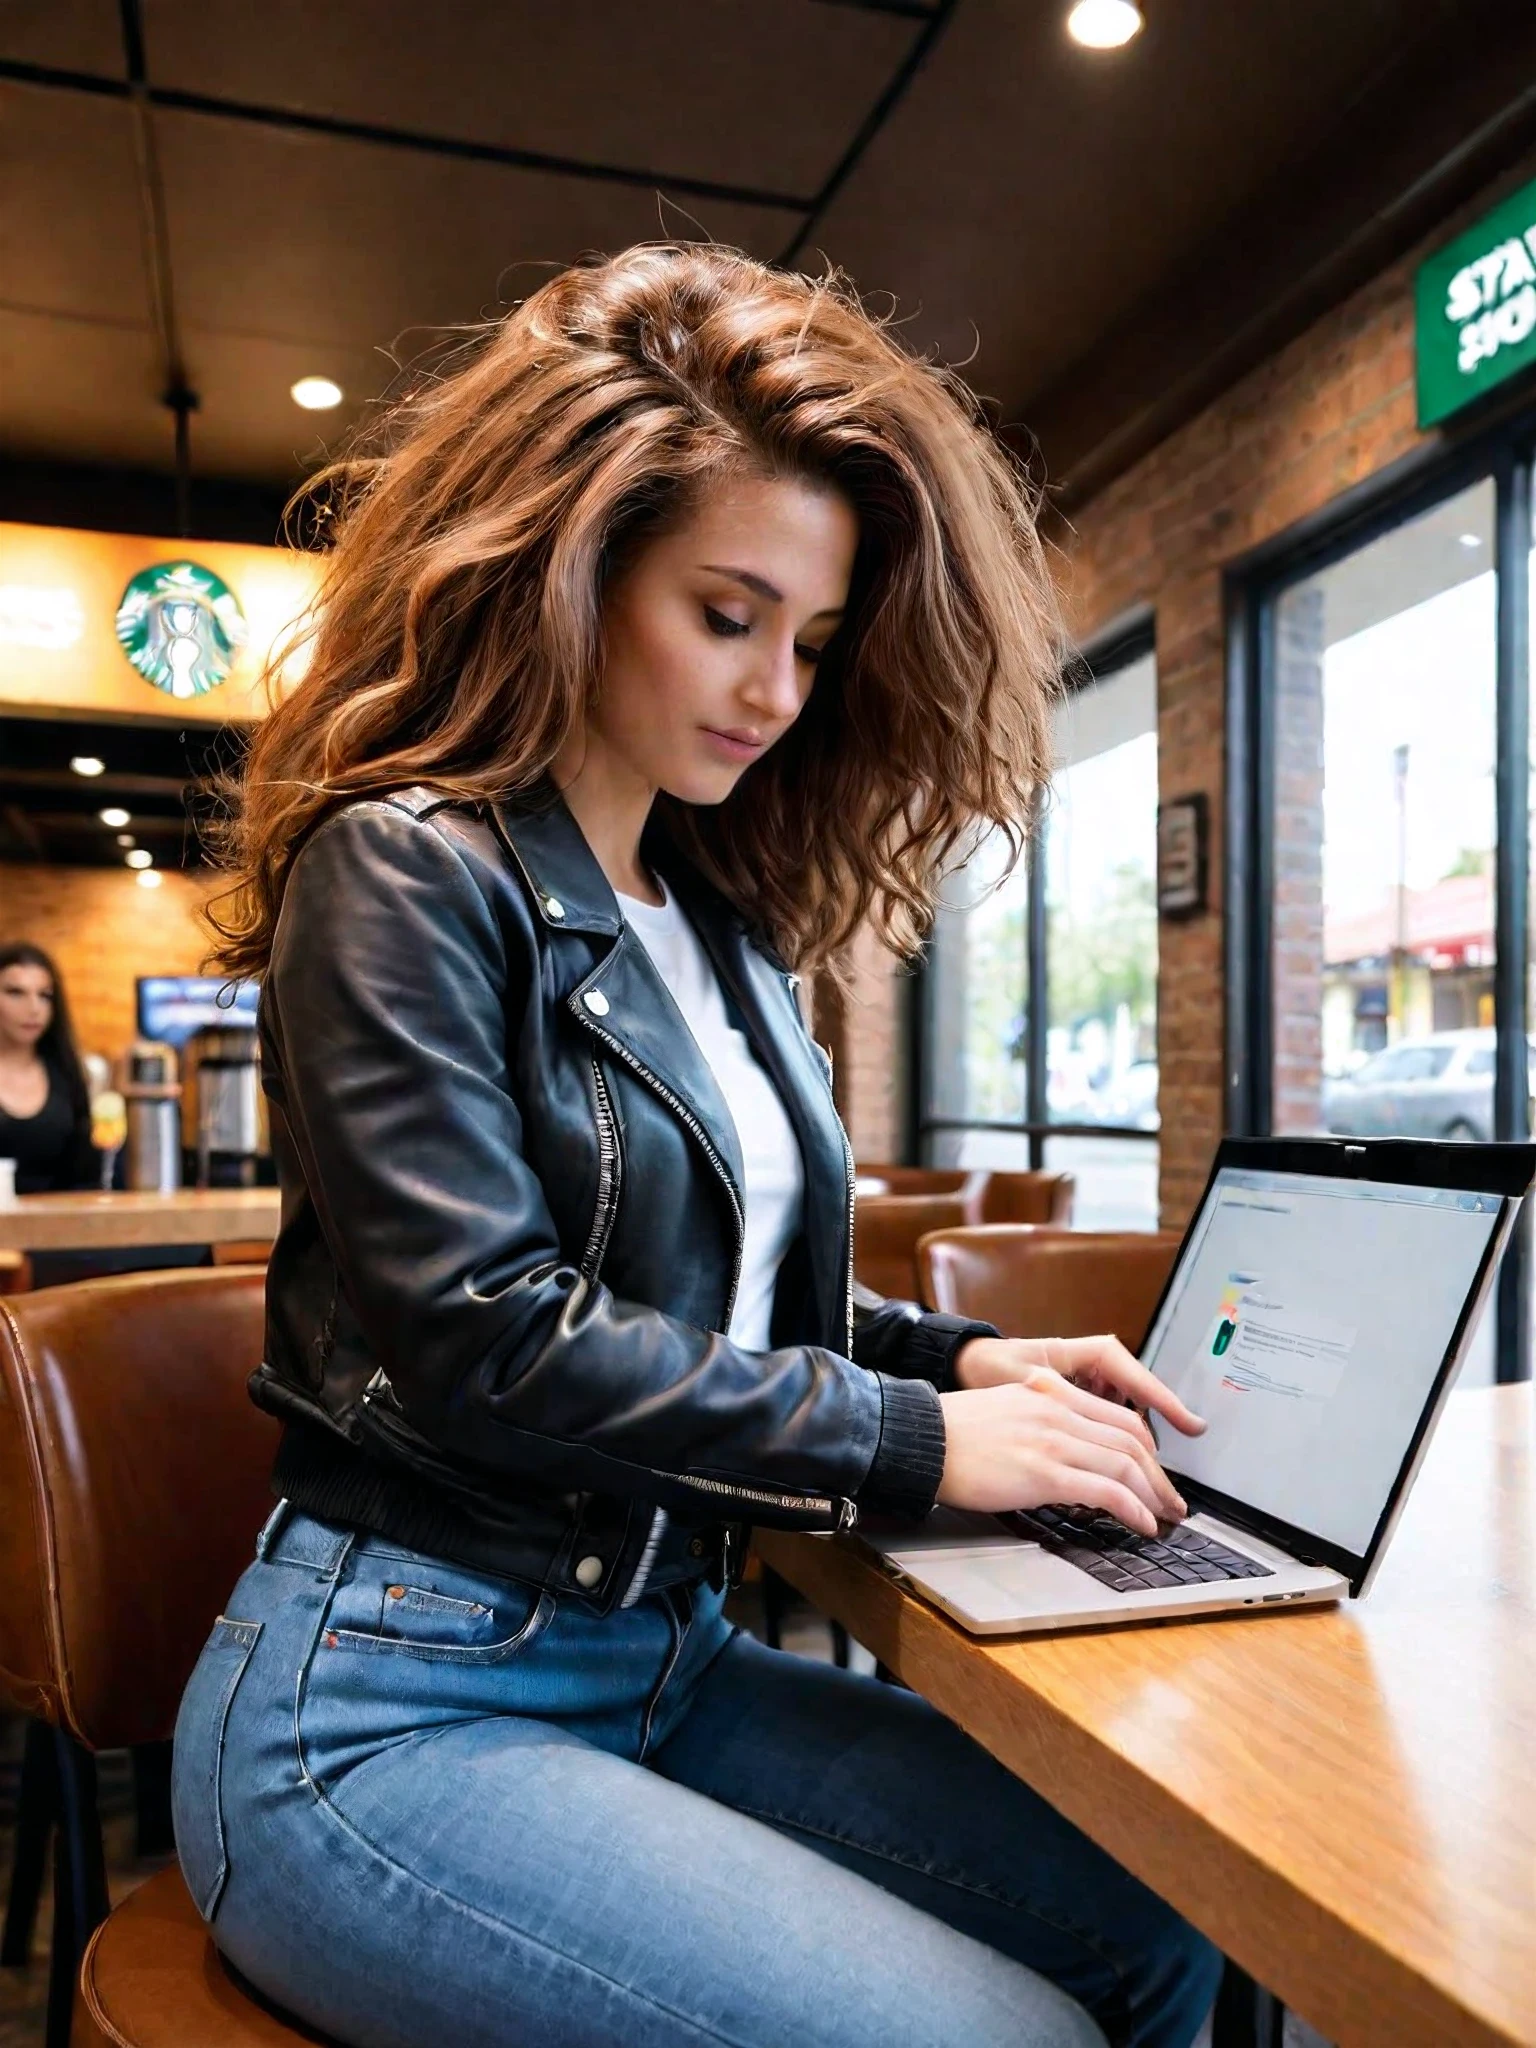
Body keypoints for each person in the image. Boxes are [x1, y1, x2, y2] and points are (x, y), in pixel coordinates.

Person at [174, 243, 1220, 2048]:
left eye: (810, 640)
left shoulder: (722, 924)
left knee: (1162, 1919)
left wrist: (968, 1357)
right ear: (570, 576)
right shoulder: (406, 866)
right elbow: (494, 1338)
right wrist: (919, 1436)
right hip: (385, 1701)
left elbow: (735, 1301)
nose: (776, 689)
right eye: (726, 615)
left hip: (671, 1659)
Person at [0, 942, 97, 1194]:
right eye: (15, 992)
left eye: (44, 995)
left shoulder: (67, 1074)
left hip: (56, 1228)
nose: (33, 1008)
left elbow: (84, 1177)